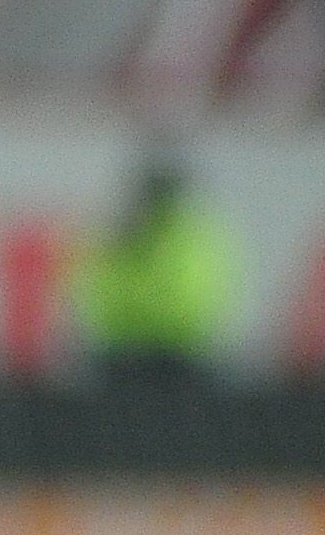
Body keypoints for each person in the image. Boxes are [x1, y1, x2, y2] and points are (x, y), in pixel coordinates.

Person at [74, 154, 237, 385]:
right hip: (155, 353)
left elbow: (100, 291)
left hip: (157, 354)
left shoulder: (182, 236)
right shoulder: (199, 235)